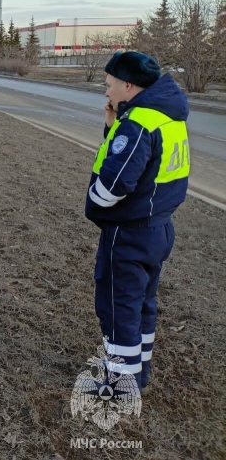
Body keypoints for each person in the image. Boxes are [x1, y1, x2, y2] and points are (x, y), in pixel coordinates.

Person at [85, 50, 190, 391]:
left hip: (129, 234)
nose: (106, 92)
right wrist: (111, 128)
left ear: (128, 85)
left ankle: (120, 387)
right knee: (143, 305)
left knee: (118, 311)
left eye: (109, 84)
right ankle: (138, 372)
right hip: (158, 228)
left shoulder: (138, 123)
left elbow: (116, 182)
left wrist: (95, 201)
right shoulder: (168, 117)